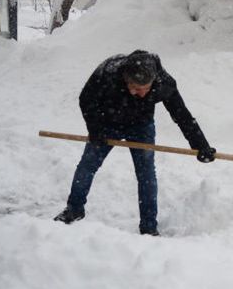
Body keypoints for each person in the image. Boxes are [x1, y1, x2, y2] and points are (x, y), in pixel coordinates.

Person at [54, 50, 216, 236]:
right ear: (125, 77)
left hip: (140, 127)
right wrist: (95, 129)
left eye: (141, 89)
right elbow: (86, 99)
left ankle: (148, 226)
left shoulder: (164, 83)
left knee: (146, 174)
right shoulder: (108, 71)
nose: (134, 92)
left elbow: (181, 115)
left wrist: (200, 145)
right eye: (131, 86)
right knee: (87, 165)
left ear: (153, 81)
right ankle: (74, 209)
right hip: (107, 123)